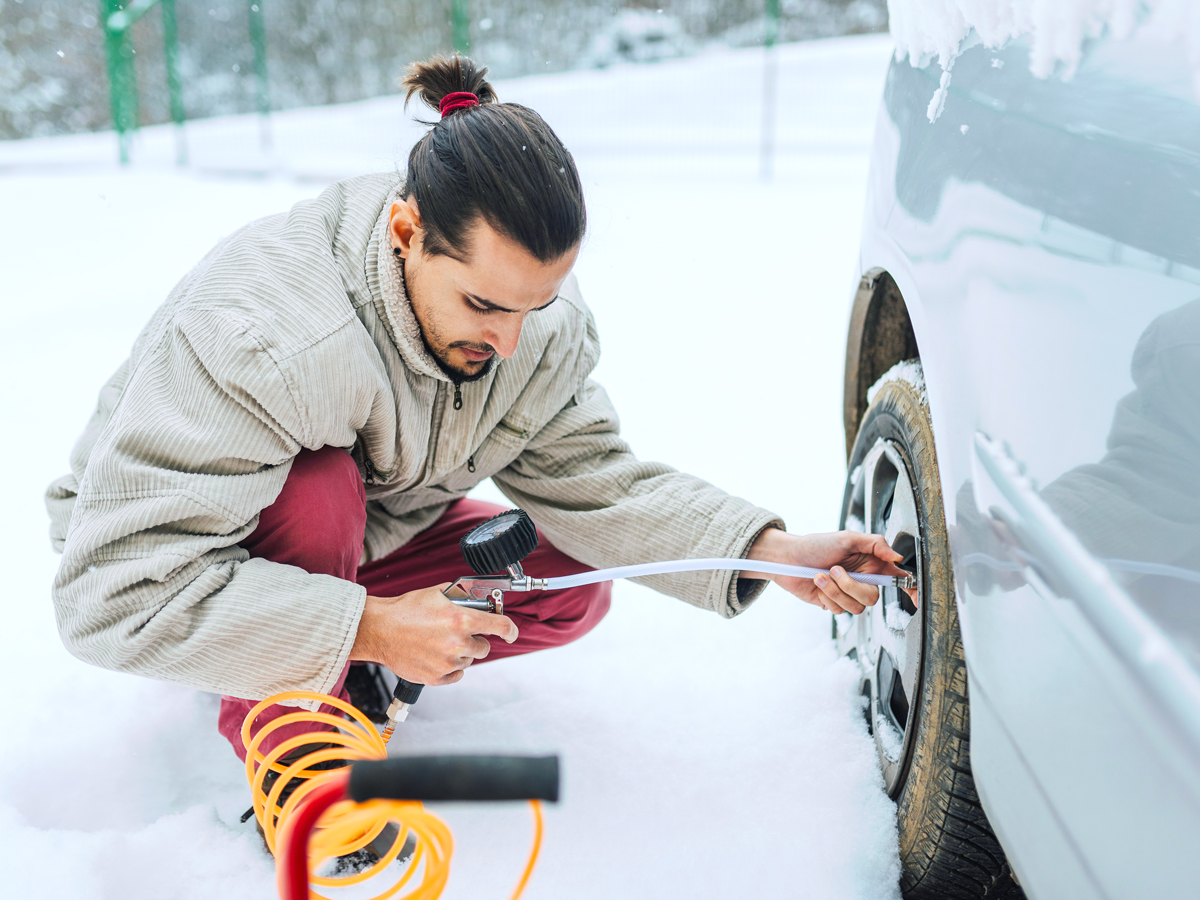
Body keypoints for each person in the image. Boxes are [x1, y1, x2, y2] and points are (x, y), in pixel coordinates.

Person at [45, 56, 906, 767]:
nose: (509, 342)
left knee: (567, 576)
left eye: (537, 306)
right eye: (486, 305)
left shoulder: (523, 330)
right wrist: (371, 626)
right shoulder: (268, 338)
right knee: (318, 490)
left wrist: (767, 550)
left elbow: (595, 486)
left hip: (365, 535)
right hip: (189, 549)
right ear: (405, 231)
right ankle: (296, 753)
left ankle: (337, 658)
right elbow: (110, 593)